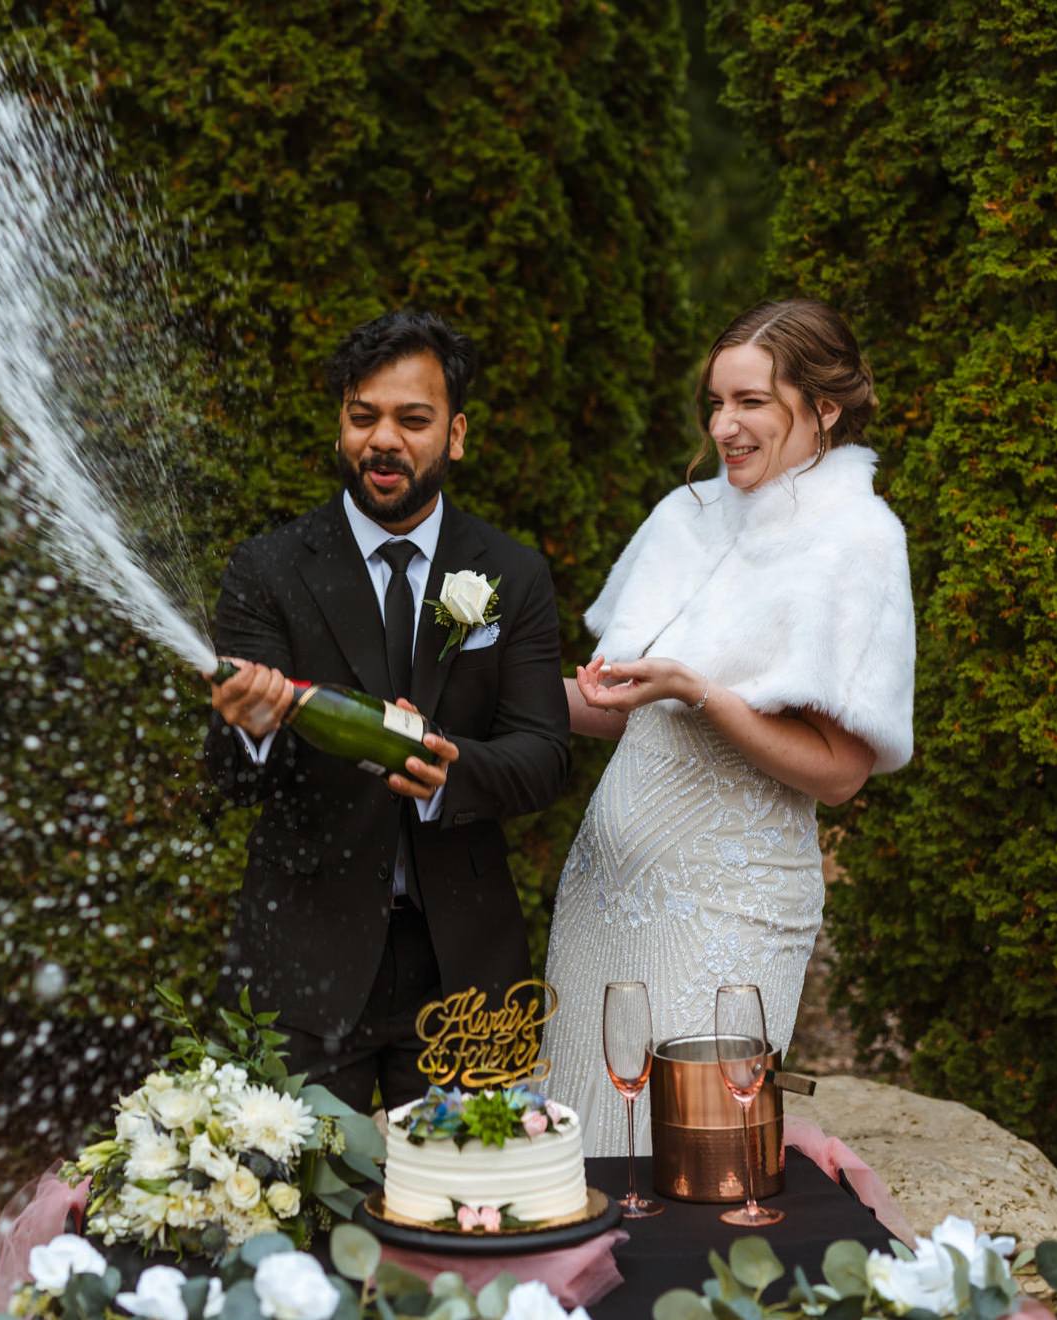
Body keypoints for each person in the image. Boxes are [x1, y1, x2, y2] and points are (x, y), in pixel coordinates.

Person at [540, 299, 916, 1155]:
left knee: (688, 1162)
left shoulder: (857, 541)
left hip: (729, 910)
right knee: (585, 1149)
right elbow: (618, 707)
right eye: (715, 402)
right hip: (602, 897)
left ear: (824, 408)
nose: (724, 425)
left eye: (750, 401)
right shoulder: (688, 516)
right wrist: (465, 691)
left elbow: (838, 773)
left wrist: (697, 691)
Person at [206, 309, 571, 1113]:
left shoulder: (511, 573)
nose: (383, 441)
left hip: (466, 969)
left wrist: (452, 771)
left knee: (472, 1210)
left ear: (457, 433)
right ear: (341, 423)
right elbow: (226, 782)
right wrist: (251, 729)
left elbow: (546, 754)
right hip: (302, 964)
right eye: (363, 415)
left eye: (413, 419)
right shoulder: (267, 569)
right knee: (289, 1218)